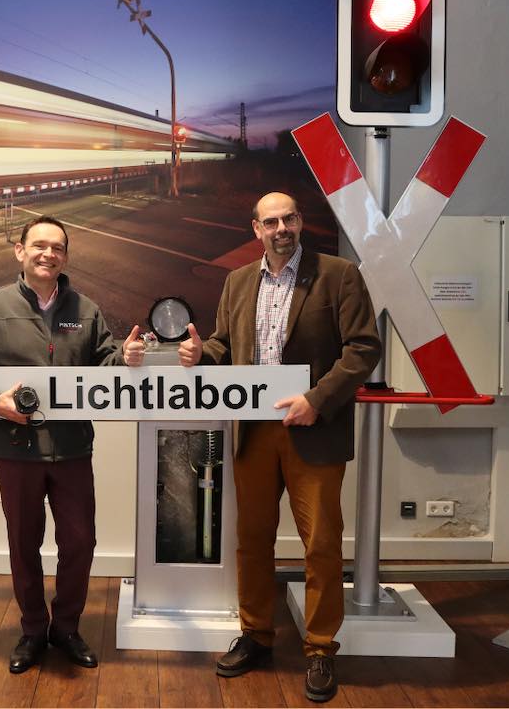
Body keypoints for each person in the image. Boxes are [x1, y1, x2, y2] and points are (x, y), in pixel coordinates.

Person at [176, 191, 380, 702]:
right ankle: (256, 635)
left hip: (313, 428)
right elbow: (225, 346)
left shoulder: (339, 275)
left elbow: (363, 348)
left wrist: (317, 399)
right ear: (257, 230)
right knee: (251, 539)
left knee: (321, 544)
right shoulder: (238, 281)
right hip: (253, 430)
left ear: (300, 222)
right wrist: (202, 353)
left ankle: (320, 648)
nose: (281, 228)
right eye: (271, 222)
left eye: (288, 219)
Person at [0, 215, 141, 674]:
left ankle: (65, 629)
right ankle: (33, 629)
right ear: (20, 251)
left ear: (65, 257)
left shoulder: (86, 310)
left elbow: (106, 366)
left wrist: (126, 359)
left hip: (72, 449)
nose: (48, 254)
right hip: (15, 450)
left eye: (58, 248)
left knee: (81, 542)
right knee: (23, 543)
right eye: (39, 245)